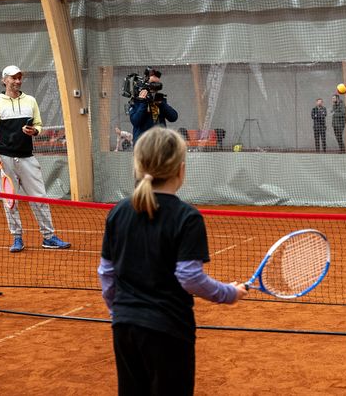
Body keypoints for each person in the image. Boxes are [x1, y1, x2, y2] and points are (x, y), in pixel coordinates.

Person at [98, 127, 248, 395]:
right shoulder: (187, 217)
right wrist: (229, 294)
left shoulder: (117, 212)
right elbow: (189, 277)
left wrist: (119, 312)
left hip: (125, 328)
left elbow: (106, 274)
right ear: (181, 169)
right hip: (167, 330)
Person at [0, 65, 71, 253]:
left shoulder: (30, 101)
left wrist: (35, 131)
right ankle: (17, 238)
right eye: (14, 78)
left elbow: (39, 125)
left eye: (19, 77)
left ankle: (49, 237)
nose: (17, 81)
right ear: (4, 80)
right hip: (5, 159)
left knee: (40, 198)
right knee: (10, 201)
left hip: (28, 158)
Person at [129, 67, 178, 144]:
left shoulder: (160, 100)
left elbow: (173, 117)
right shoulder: (137, 101)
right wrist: (143, 102)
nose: (155, 87)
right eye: (152, 83)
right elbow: (136, 121)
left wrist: (161, 104)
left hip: (160, 144)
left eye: (157, 84)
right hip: (143, 144)